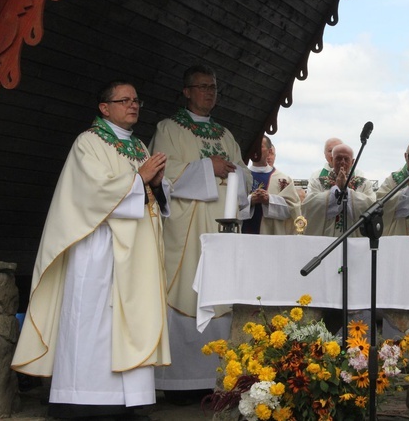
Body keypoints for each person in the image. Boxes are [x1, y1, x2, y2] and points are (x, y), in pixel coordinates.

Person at [12, 81, 171, 419]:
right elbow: (91, 193)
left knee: (131, 319)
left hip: (135, 252)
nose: (133, 105)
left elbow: (150, 194)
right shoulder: (88, 142)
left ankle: (132, 398)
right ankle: (82, 396)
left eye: (136, 100)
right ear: (104, 108)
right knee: (94, 319)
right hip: (98, 250)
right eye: (124, 100)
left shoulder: (139, 145)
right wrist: (139, 180)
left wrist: (155, 184)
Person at [149, 65, 250, 403]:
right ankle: (180, 383)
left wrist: (236, 175)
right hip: (188, 232)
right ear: (187, 91)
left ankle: (218, 378)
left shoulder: (225, 134)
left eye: (214, 87)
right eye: (203, 87)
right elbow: (162, 172)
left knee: (221, 295)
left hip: (221, 229)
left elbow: (243, 175)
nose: (210, 92)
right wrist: (210, 168)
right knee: (187, 293)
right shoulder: (168, 129)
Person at [302, 143, 375, 236]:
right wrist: (335, 191)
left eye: (346, 159)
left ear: (352, 162)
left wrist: (348, 193)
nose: (342, 162)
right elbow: (309, 205)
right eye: (339, 158)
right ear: (332, 160)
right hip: (326, 238)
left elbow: (372, 205)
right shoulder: (317, 183)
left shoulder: (364, 184)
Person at [239, 135, 300, 235]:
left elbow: (293, 210)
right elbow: (231, 207)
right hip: (245, 235)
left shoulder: (283, 180)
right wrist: (250, 201)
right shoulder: (240, 176)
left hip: (272, 236)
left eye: (260, 146)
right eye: (253, 146)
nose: (255, 149)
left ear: (269, 151)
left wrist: (269, 200)